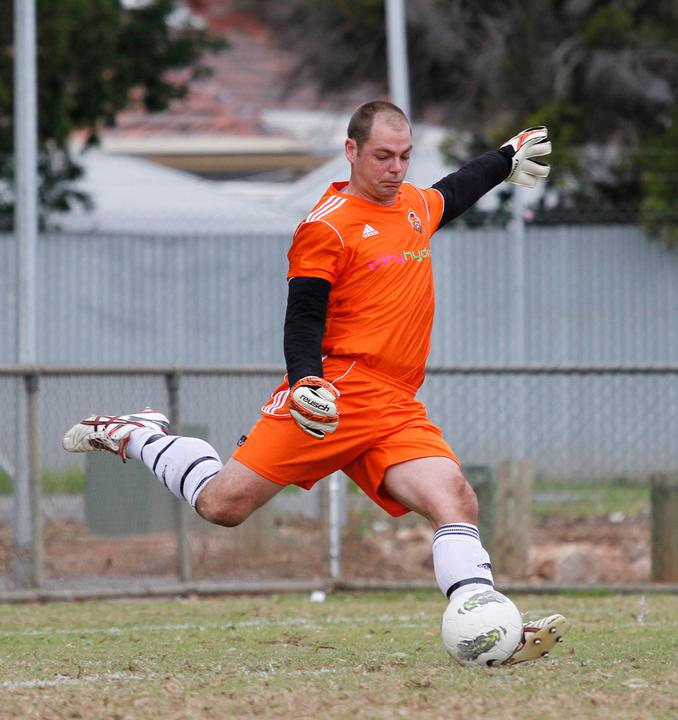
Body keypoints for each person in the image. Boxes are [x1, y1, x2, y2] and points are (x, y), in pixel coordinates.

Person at [63, 101, 568, 665]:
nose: (395, 168)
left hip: (396, 403)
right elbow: (303, 316)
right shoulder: (325, 226)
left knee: (454, 497)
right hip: (336, 393)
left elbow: (455, 188)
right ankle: (139, 435)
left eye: (403, 157)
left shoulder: (413, 207)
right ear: (351, 151)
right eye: (382, 156)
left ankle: (488, 629)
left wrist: (505, 157)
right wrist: (306, 379)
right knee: (222, 505)